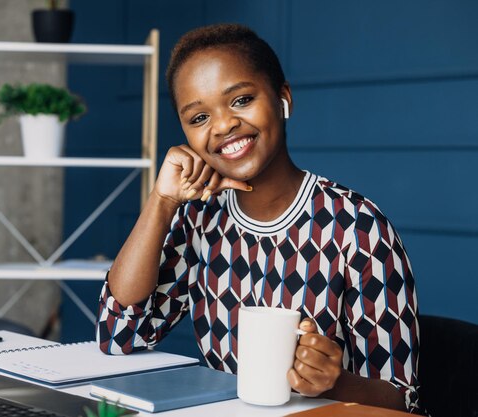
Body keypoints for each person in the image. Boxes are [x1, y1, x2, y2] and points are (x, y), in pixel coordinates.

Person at [96, 23, 423, 414]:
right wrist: (162, 201)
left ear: (283, 98)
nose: (222, 125)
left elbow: (404, 400)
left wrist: (332, 382)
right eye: (198, 118)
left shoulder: (357, 227)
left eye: (241, 100)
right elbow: (118, 334)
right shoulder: (200, 219)